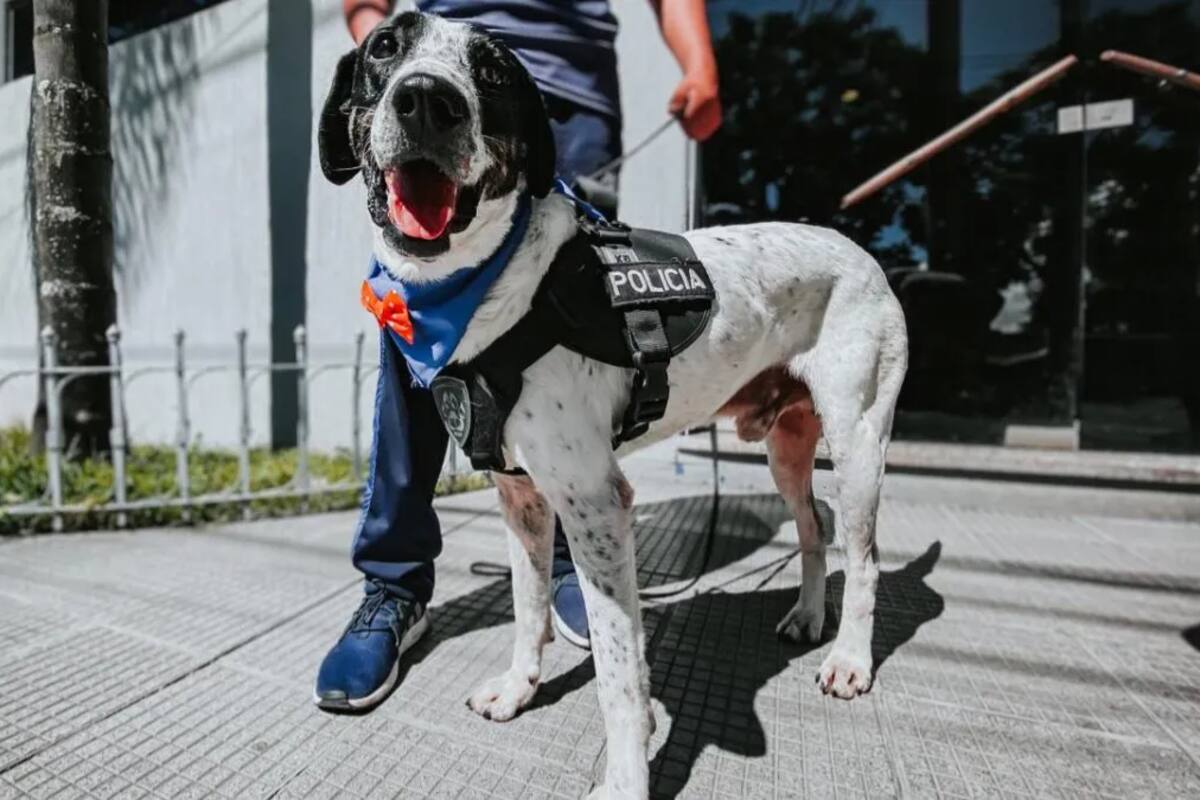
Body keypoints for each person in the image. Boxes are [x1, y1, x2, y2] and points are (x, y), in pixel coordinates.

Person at [316, 0, 721, 711]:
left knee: (568, 348)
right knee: (420, 356)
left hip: (568, 99)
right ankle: (394, 583)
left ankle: (572, 560)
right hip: (429, 65)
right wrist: (395, 65)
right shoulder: (401, 79)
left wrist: (700, 61)